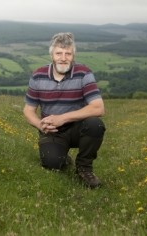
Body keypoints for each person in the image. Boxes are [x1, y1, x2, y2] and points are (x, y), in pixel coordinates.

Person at [23, 32, 106, 188]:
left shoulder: (84, 73)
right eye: (59, 53)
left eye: (68, 53)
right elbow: (28, 110)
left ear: (73, 55)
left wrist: (63, 118)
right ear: (52, 55)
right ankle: (63, 157)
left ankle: (84, 168)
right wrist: (40, 125)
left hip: (77, 127)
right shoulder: (38, 75)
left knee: (95, 124)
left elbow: (99, 108)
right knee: (53, 164)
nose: (63, 57)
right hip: (52, 131)